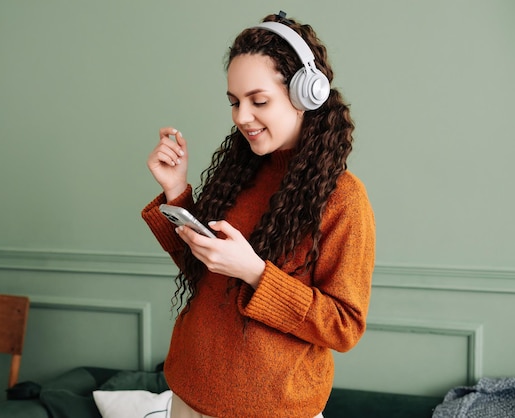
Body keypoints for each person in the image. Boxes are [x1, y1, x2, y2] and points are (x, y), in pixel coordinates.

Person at [142, 11, 375, 418]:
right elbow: (206, 272)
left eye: (258, 100)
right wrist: (176, 190)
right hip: (188, 394)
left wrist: (255, 272)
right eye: (234, 102)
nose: (240, 117)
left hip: (275, 410)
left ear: (306, 96)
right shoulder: (241, 171)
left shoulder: (344, 199)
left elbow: (344, 325)